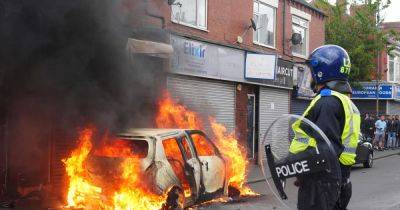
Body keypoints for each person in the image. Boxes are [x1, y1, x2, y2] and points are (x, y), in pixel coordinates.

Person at [289, 45, 360, 210]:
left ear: (322, 72)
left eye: (312, 71)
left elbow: (326, 149)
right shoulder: (342, 101)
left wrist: (292, 164)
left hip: (321, 186)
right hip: (335, 180)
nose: (310, 76)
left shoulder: (327, 102)